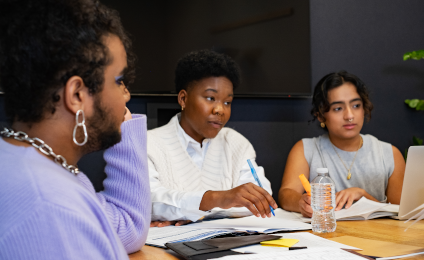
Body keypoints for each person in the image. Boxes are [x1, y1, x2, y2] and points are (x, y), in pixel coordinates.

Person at [0, 0, 150, 258]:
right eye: (118, 81)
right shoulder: (50, 208)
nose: (125, 96)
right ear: (77, 94)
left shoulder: (36, 166)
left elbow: (124, 226)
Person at [148, 50, 277, 227]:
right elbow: (149, 201)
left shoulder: (236, 143)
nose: (220, 110)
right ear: (183, 99)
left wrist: (192, 213)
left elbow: (260, 200)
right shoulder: (149, 144)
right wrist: (219, 198)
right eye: (210, 98)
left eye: (227, 102)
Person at [278, 71, 405, 218]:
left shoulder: (390, 153)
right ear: (320, 115)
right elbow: (286, 194)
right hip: (325, 236)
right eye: (338, 108)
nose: (349, 116)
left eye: (356, 105)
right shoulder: (305, 149)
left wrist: (364, 198)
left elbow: (401, 214)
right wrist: (301, 202)